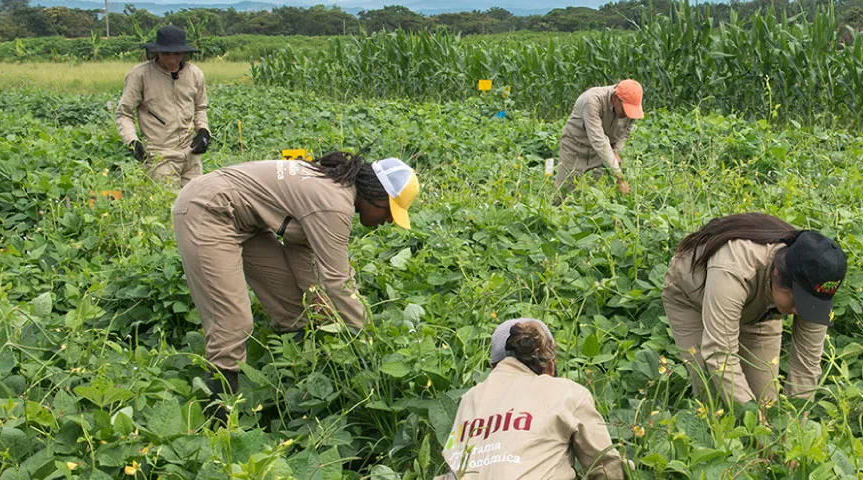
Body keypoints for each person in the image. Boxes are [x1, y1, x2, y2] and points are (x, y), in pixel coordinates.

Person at [172, 153, 418, 402]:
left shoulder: (334, 187)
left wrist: (321, 308)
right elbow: (337, 280)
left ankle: (294, 386)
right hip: (208, 209)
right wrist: (365, 339)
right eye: (389, 211)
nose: (388, 220)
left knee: (293, 307)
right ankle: (218, 415)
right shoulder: (334, 203)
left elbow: (303, 252)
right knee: (233, 324)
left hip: (244, 221)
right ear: (375, 196)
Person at [661, 213, 847, 405]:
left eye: (814, 305)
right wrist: (756, 420)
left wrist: (794, 425)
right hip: (692, 301)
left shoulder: (816, 279)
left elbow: (806, 365)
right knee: (713, 397)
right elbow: (720, 353)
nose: (803, 312)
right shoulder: (735, 266)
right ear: (777, 275)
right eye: (800, 302)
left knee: (766, 403)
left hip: (758, 312)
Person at [438, 318, 624, 480]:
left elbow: (455, 467)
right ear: (550, 365)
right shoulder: (568, 392)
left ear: (494, 366)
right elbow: (608, 469)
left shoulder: (470, 399)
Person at [115, 25, 211, 187]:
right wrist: (132, 141)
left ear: (184, 53)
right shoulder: (140, 75)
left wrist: (203, 131)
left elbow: (200, 107)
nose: (172, 60)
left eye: (177, 54)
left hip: (191, 155)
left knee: (196, 204)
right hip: (160, 155)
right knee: (168, 205)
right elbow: (124, 113)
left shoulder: (194, 74)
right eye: (166, 54)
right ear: (157, 52)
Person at [553, 79, 643, 202]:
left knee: (597, 197)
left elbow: (626, 132)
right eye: (624, 110)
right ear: (616, 98)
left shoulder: (632, 108)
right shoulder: (592, 100)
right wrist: (620, 178)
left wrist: (616, 151)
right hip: (575, 147)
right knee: (561, 193)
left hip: (602, 153)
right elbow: (599, 140)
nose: (627, 115)